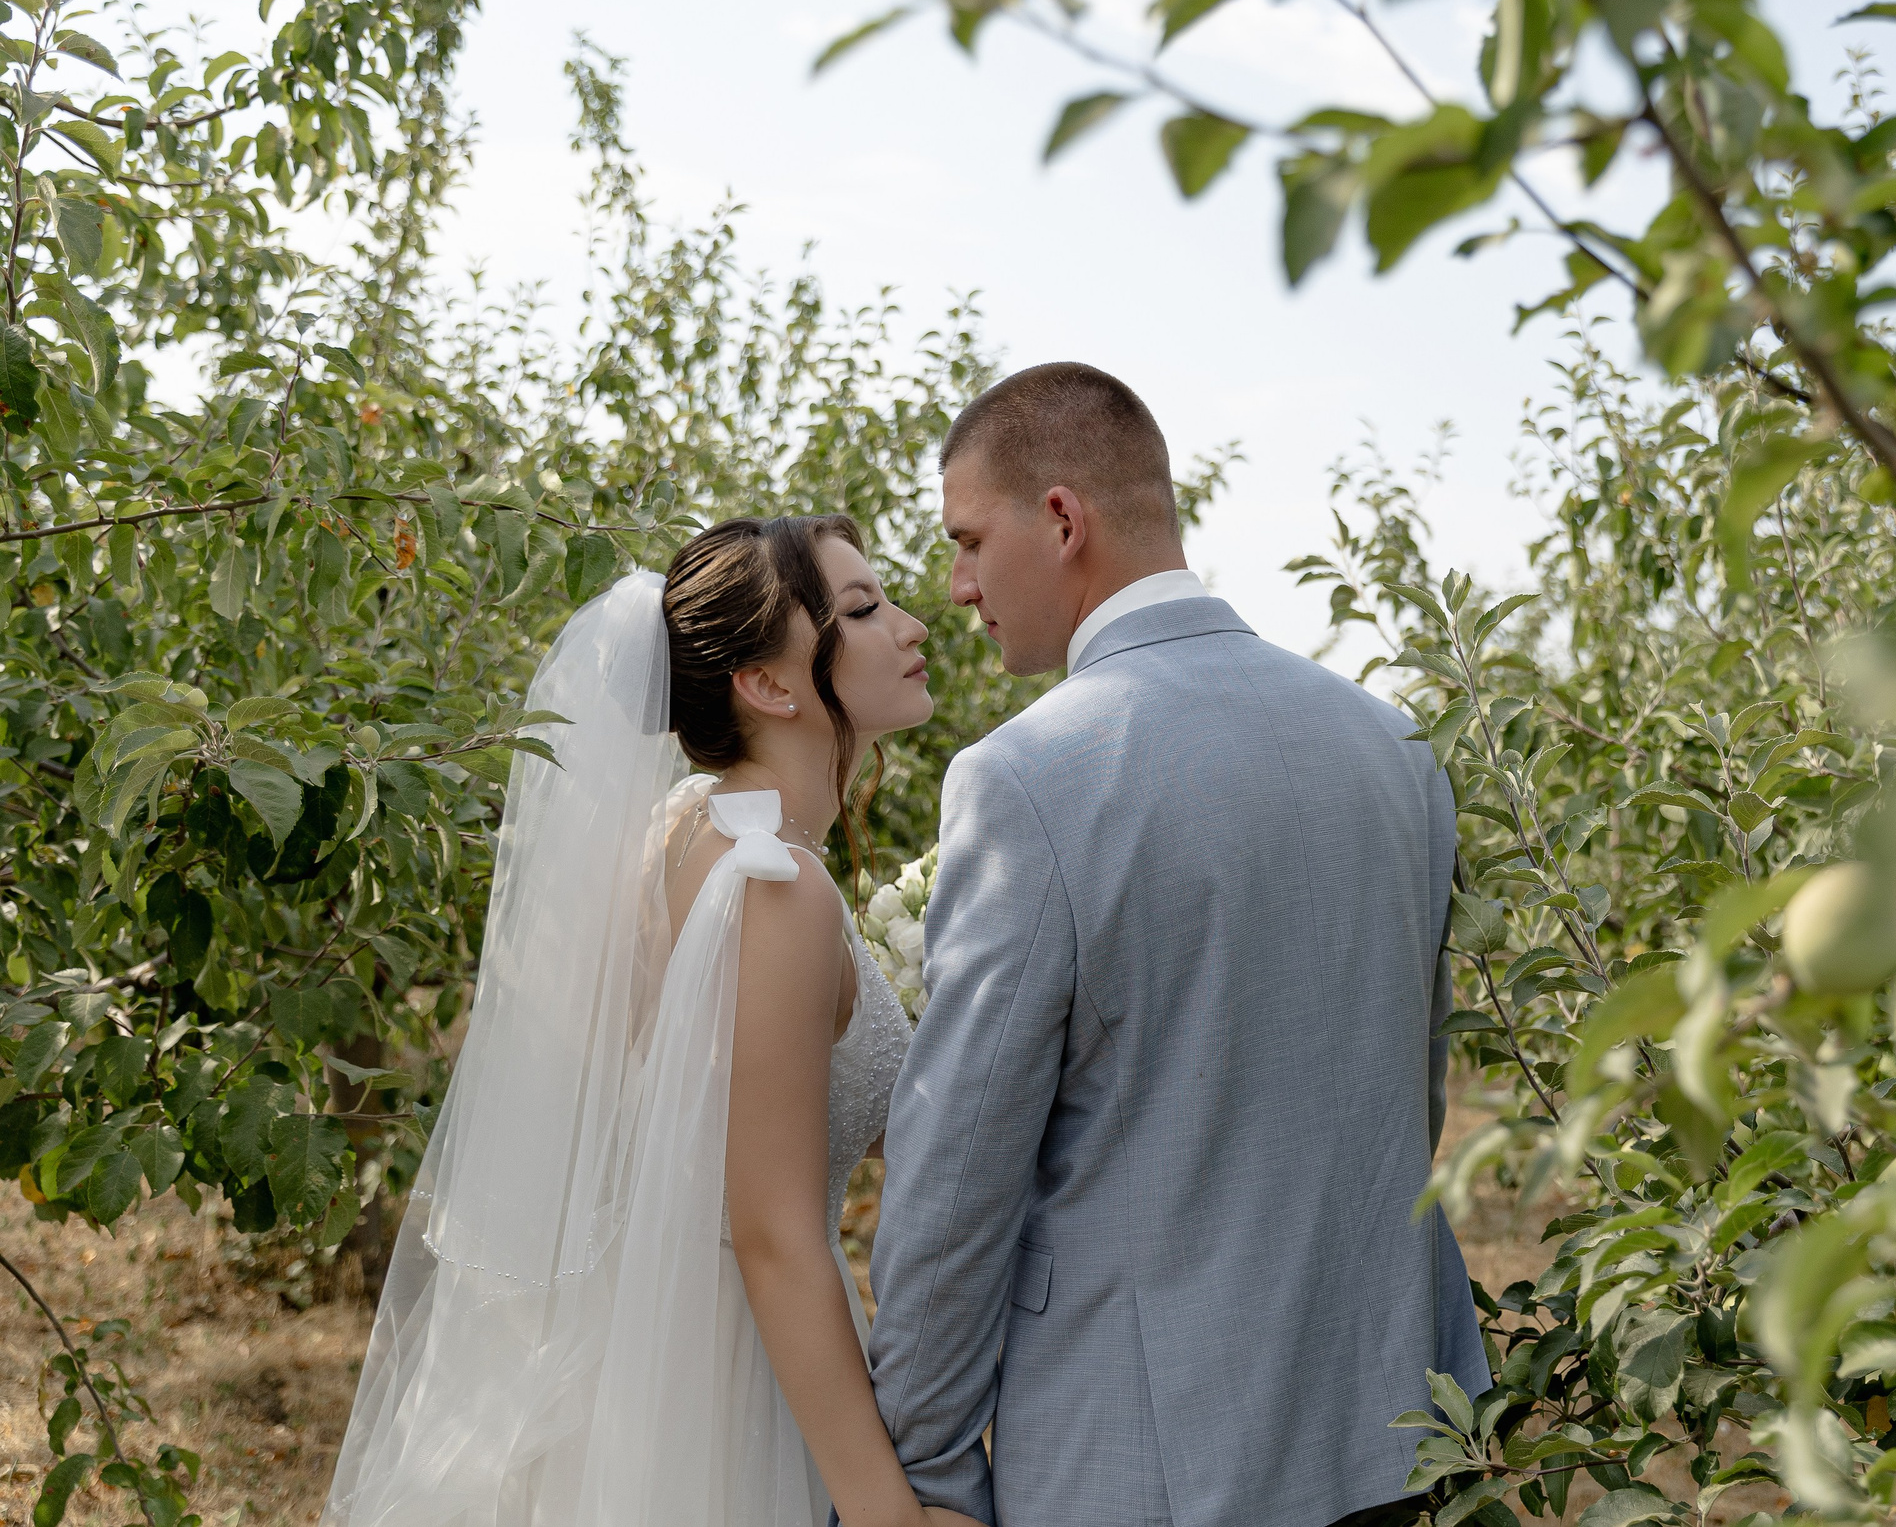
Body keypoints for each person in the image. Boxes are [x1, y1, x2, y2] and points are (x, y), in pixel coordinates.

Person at [867, 363, 1492, 1527]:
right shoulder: (1394, 745)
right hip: (1390, 1434)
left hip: (1145, 1463)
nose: (954, 585)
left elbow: (954, 1188)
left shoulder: (1025, 778)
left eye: (964, 539)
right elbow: (1405, 1098)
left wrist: (924, 1474)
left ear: (1060, 518)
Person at [326, 516, 983, 1527]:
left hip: (639, 1353)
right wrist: (888, 1513)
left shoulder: (684, 826)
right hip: (734, 1382)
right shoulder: (779, 889)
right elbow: (770, 1231)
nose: (909, 623)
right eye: (862, 609)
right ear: (767, 684)